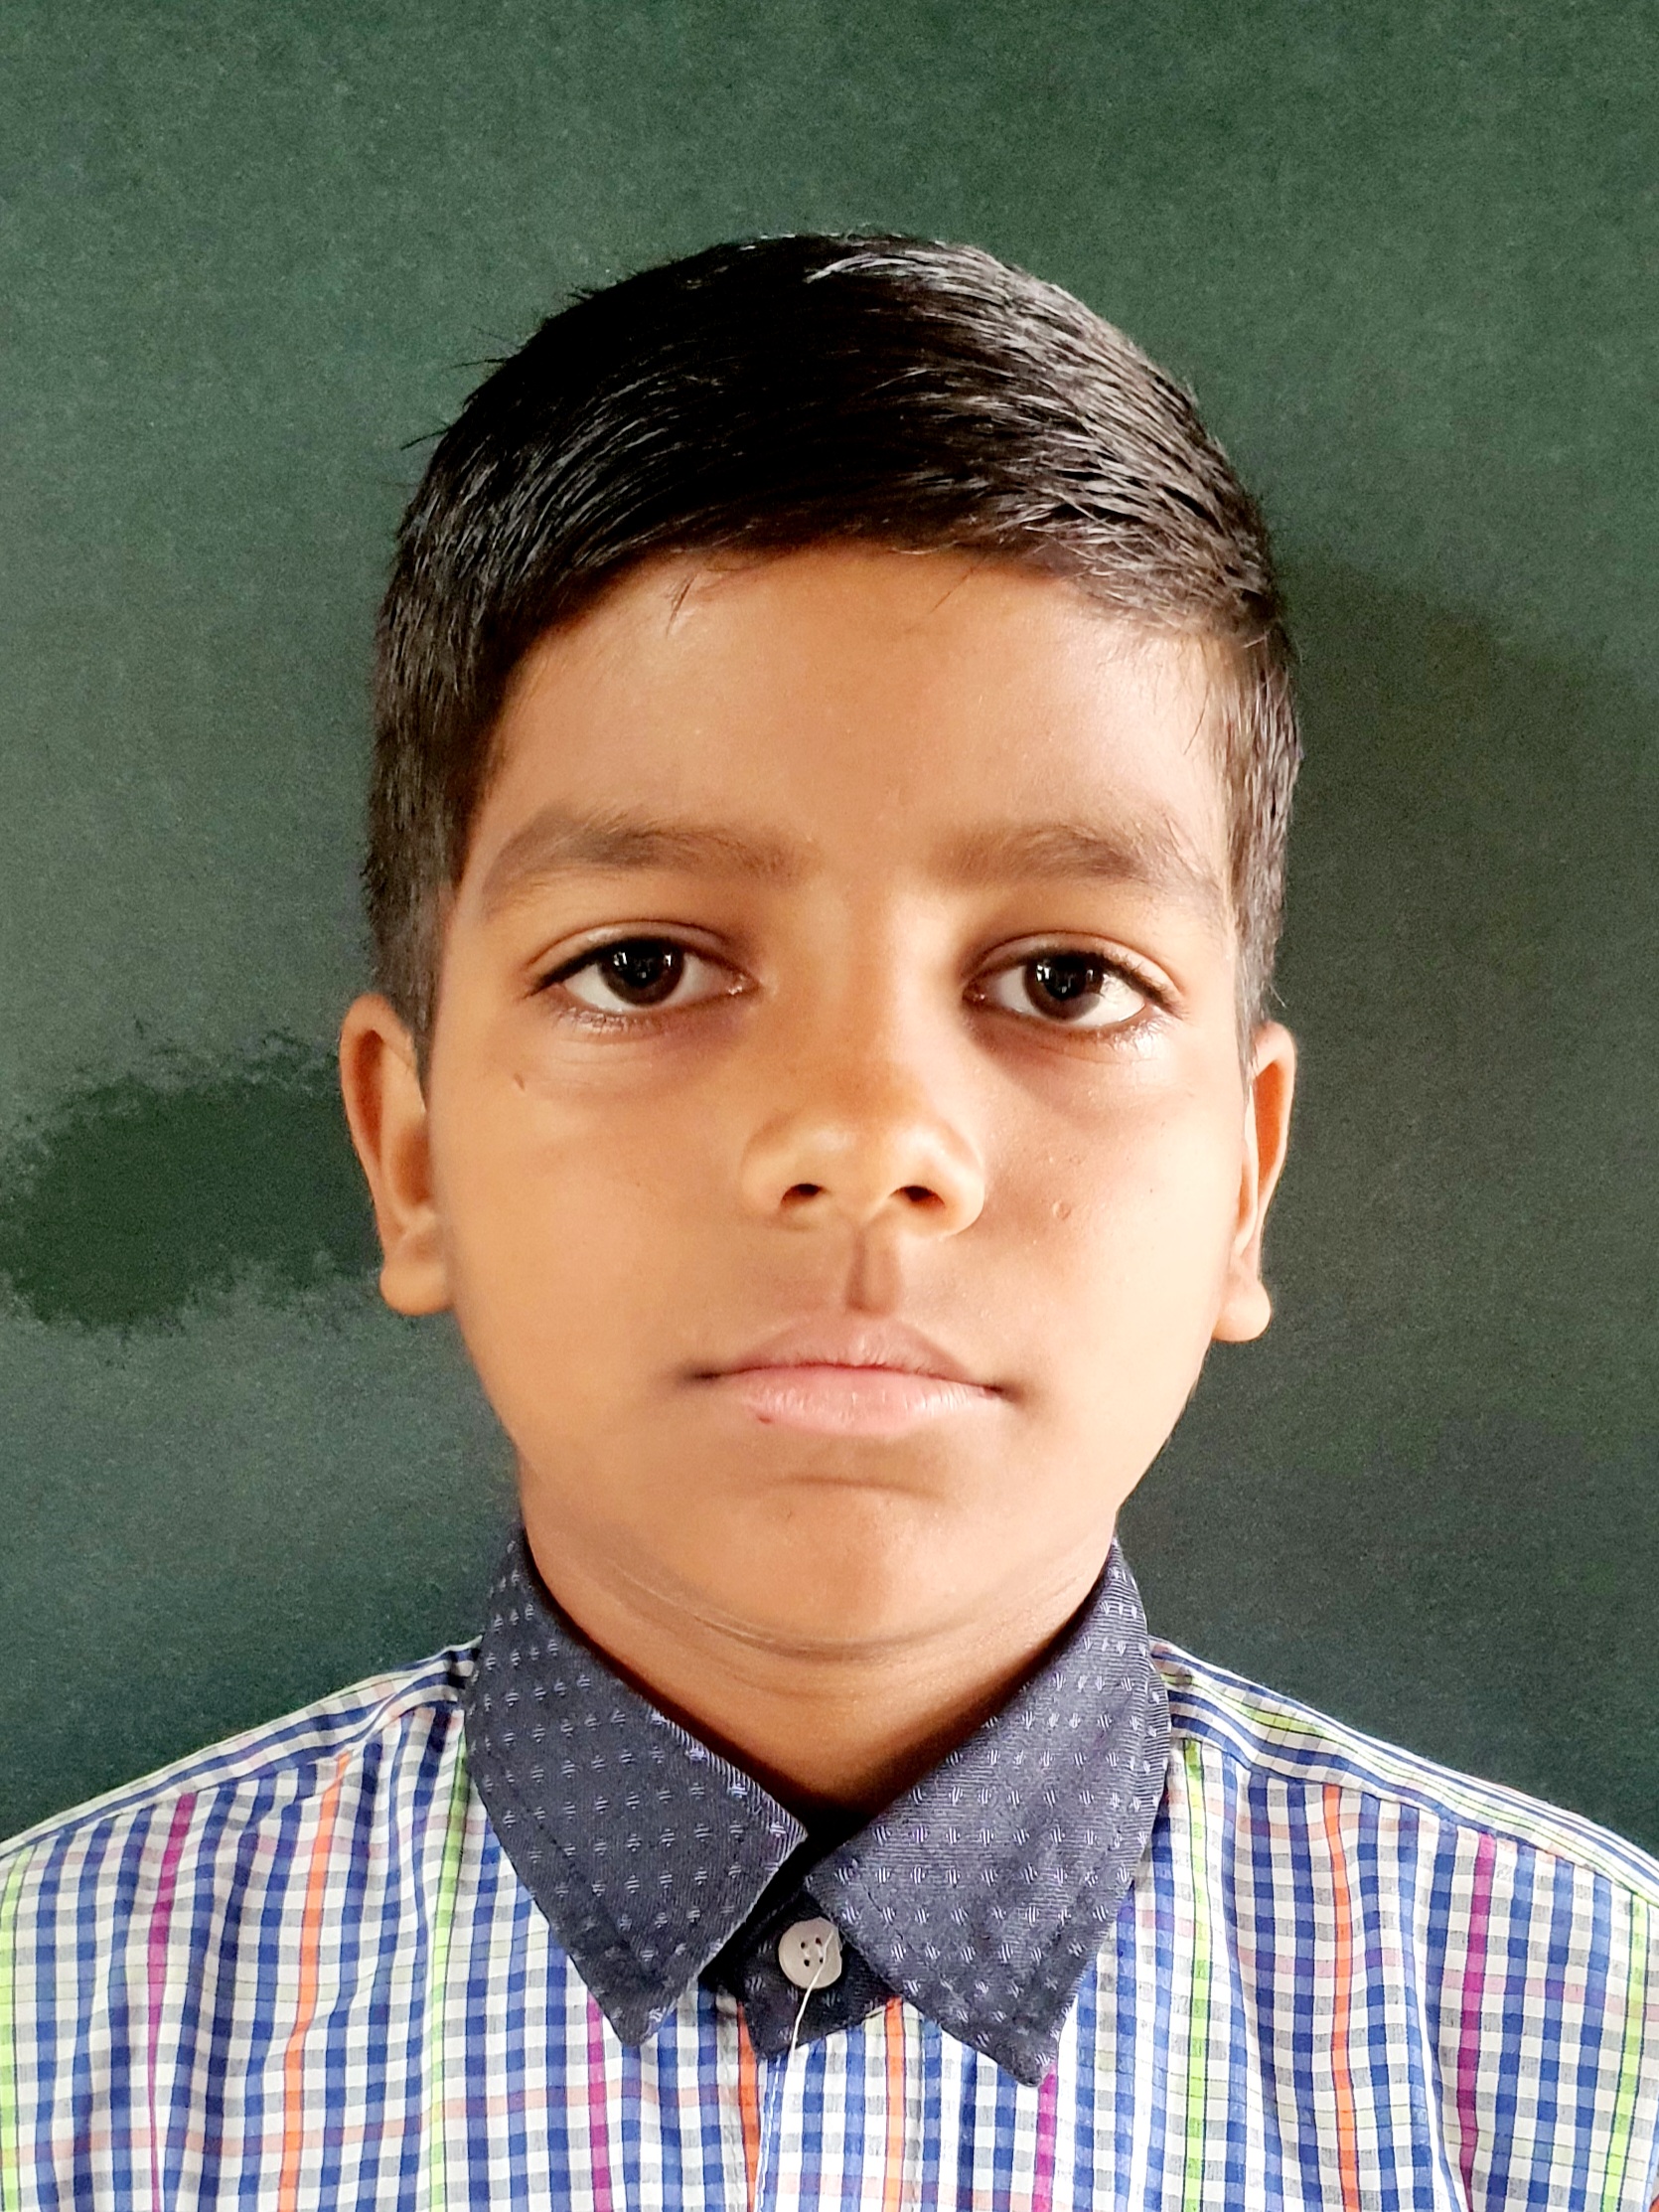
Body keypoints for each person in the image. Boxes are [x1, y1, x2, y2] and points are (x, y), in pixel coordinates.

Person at [2, 234, 1655, 2211]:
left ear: (1241, 1174)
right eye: (640, 965)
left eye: (1061, 980)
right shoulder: (49, 2051)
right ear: (411, 1148)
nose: (868, 1140)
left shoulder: (1601, 2071)